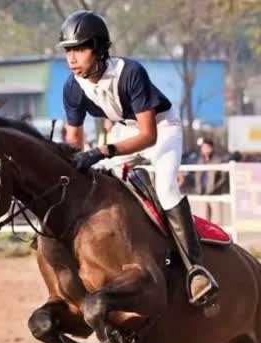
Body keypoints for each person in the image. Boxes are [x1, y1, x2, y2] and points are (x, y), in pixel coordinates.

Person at [57, 10, 217, 307]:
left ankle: (196, 269)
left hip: (160, 128)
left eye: (79, 49)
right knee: (99, 181)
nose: (72, 58)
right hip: (123, 132)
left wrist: (103, 151)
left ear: (99, 48)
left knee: (166, 187)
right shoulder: (72, 87)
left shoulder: (129, 72)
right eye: (68, 50)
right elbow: (73, 141)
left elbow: (148, 137)